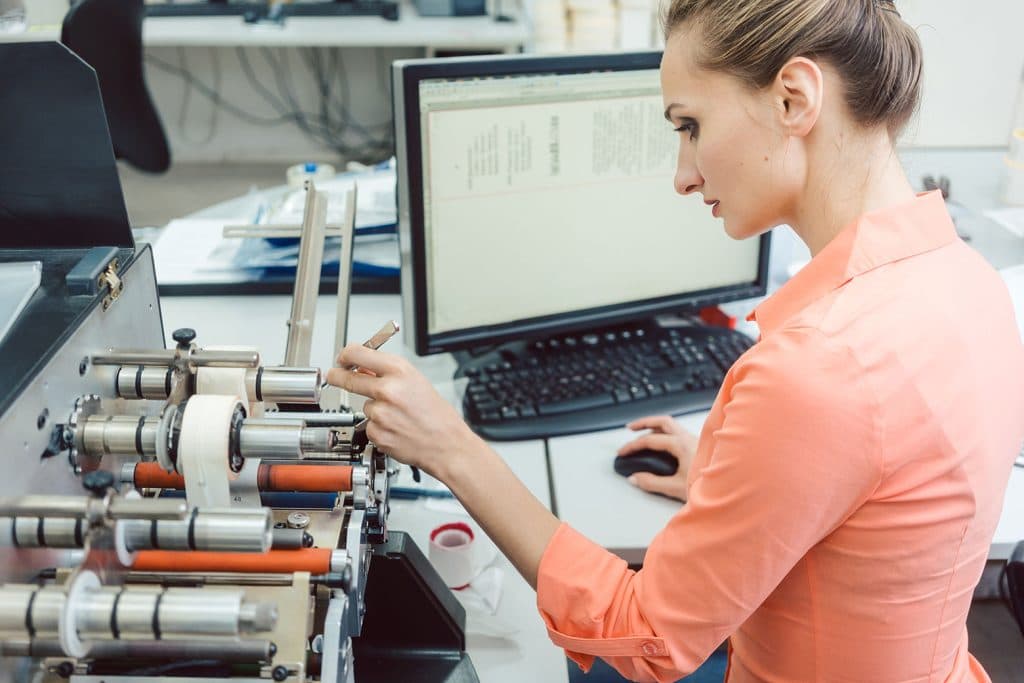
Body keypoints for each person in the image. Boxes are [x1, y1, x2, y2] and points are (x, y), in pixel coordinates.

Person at [328, 0, 1024, 680]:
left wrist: (447, 445)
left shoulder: (819, 371)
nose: (684, 173)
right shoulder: (971, 281)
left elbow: (649, 636)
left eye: (690, 125)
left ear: (794, 99)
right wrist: (745, 479)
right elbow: (887, 505)